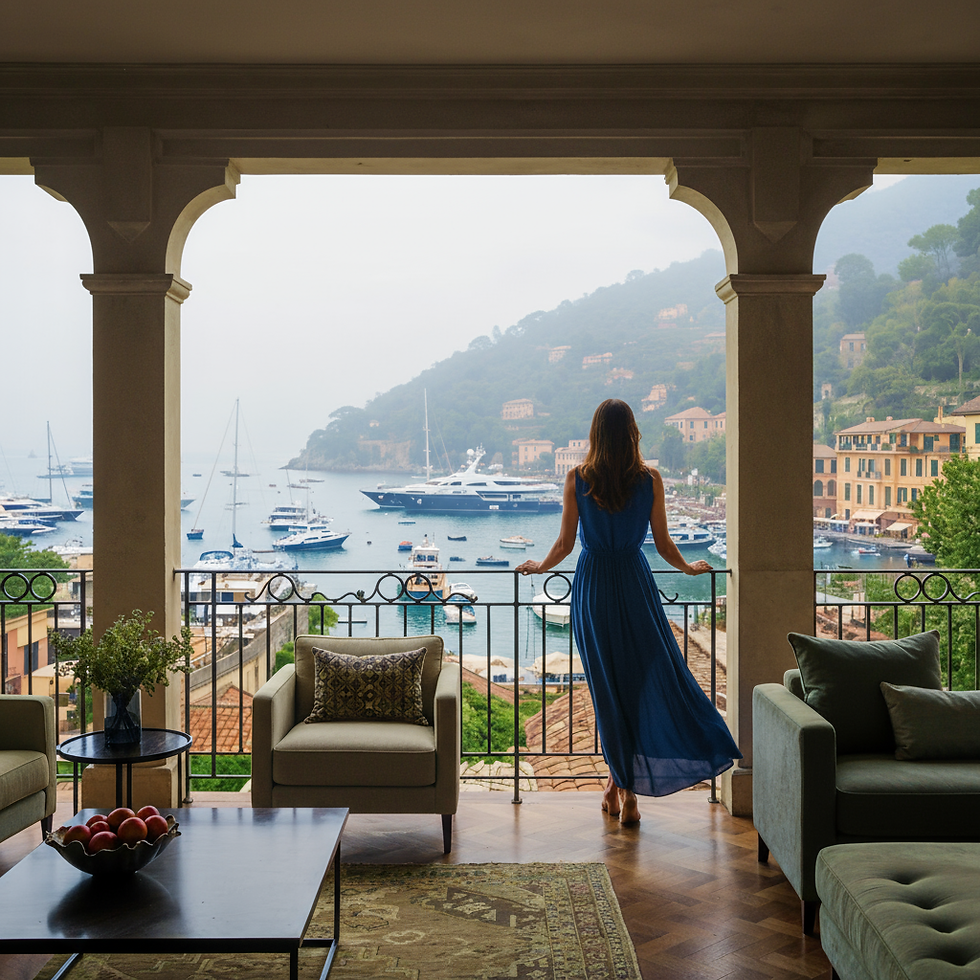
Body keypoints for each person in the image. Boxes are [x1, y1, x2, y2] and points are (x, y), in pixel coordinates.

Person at [516, 399, 741, 824]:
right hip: (636, 585)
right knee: (639, 686)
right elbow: (664, 543)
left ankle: (619, 787)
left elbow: (565, 544)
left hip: (595, 586)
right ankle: (626, 791)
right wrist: (688, 569)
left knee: (607, 690)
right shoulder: (649, 479)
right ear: (633, 433)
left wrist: (539, 566)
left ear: (595, 434)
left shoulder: (578, 478)